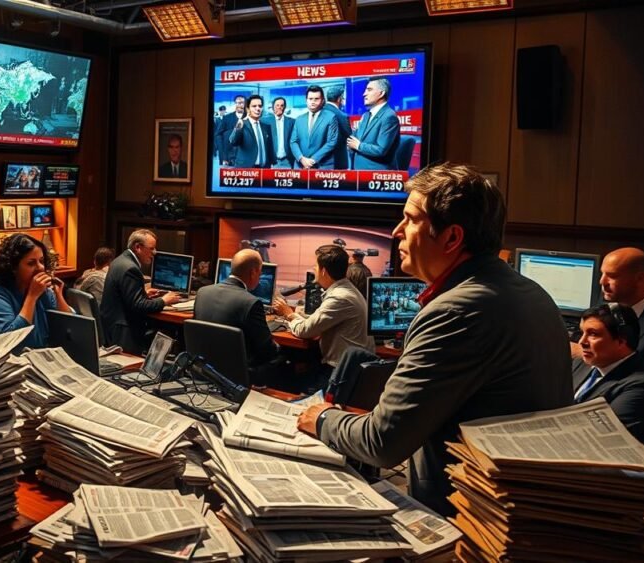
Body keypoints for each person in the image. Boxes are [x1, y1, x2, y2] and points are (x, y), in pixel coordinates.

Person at [296, 163, 571, 516]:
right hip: (518, 517)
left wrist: (322, 418)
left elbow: (384, 441)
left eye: (410, 219)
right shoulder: (532, 293)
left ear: (452, 238)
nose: (397, 231)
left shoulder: (455, 310)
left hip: (465, 522)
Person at [271, 244, 374, 379]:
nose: (314, 269)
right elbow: (314, 324)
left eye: (316, 266)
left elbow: (304, 330)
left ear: (323, 271)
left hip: (343, 373)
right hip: (350, 368)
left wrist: (289, 314)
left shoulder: (339, 297)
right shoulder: (346, 290)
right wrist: (295, 316)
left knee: (285, 374)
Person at [572, 304, 644, 447]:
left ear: (621, 341)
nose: (582, 342)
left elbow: (603, 439)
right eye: (582, 332)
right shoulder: (581, 364)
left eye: (593, 334)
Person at [0, 234, 71, 352]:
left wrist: (58, 295)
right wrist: (32, 296)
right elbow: (14, 338)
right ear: (13, 267)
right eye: (31, 263)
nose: (40, 267)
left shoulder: (44, 292)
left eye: (41, 261)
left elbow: (70, 326)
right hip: (0, 361)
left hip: (34, 357)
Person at [193, 249, 280, 371]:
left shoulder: (203, 292)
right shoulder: (251, 302)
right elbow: (266, 350)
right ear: (253, 272)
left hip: (204, 369)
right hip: (236, 374)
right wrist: (277, 346)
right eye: (260, 273)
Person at [100, 229, 181, 354]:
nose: (155, 253)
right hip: (124, 332)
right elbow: (138, 305)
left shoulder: (120, 260)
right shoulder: (131, 268)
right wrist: (163, 301)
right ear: (138, 247)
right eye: (151, 248)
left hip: (111, 326)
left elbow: (125, 296)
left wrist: (143, 293)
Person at [596, 247, 644, 370]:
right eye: (602, 273)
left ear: (640, 278)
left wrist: (584, 353)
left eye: (612, 276)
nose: (602, 281)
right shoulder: (604, 303)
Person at [348, 78, 401, 170]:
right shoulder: (365, 116)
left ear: (381, 93)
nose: (364, 94)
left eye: (369, 90)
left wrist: (358, 146)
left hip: (376, 173)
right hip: (357, 171)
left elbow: (381, 150)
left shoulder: (389, 117)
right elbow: (353, 141)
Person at [290, 85, 339, 170]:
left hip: (321, 166)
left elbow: (331, 142)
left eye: (316, 99)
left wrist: (312, 160)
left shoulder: (331, 117)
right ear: (306, 100)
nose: (313, 102)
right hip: (300, 166)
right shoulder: (299, 119)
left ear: (322, 100)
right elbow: (293, 141)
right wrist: (301, 158)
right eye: (310, 99)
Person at [229, 94, 274, 169]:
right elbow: (233, 141)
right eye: (254, 106)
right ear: (247, 109)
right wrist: (239, 125)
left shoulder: (266, 127)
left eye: (260, 106)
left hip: (264, 169)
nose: (258, 108)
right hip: (246, 169)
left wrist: (271, 163)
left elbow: (270, 148)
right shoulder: (242, 125)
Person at [323, 85, 352, 170]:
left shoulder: (318, 112)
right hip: (337, 161)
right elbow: (350, 137)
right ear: (339, 99)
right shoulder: (342, 116)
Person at [263, 96, 296, 169]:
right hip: (272, 163)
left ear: (284, 107)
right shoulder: (265, 121)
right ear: (273, 107)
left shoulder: (292, 122)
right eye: (277, 105)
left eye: (282, 105)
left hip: (287, 162)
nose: (279, 107)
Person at [216, 95, 246, 165]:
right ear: (235, 104)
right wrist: (223, 156)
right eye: (238, 103)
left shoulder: (250, 118)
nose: (240, 105)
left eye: (242, 103)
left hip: (246, 157)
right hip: (229, 158)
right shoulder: (227, 118)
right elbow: (218, 135)